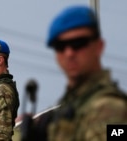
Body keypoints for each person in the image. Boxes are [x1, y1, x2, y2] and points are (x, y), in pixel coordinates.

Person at [35, 5, 127, 141]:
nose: (69, 53)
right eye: (60, 46)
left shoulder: (108, 107)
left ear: (99, 46)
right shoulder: (73, 105)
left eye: (78, 43)